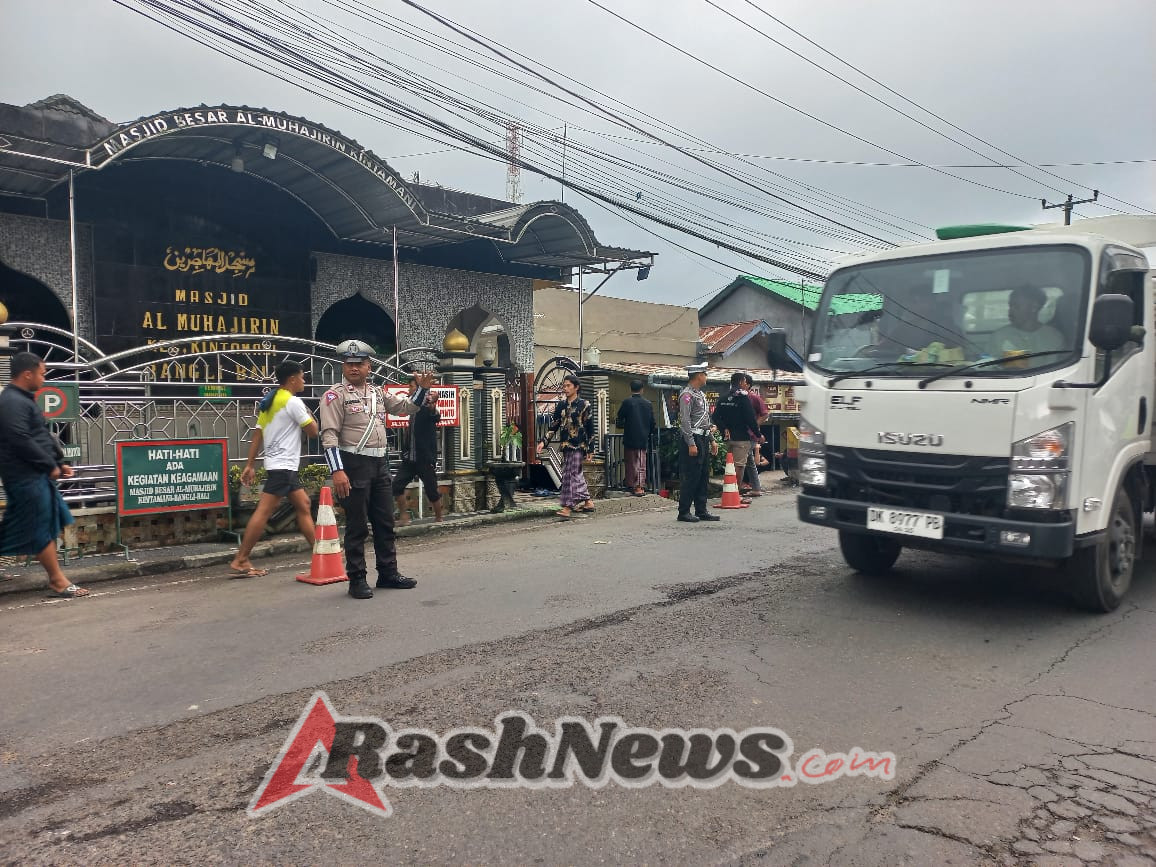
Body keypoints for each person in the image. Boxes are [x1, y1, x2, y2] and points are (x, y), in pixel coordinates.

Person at [319, 339, 436, 600]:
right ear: (343, 366)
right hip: (353, 464)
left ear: (368, 366)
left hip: (379, 464)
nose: (354, 368)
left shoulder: (377, 393)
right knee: (357, 525)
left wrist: (422, 389)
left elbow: (407, 408)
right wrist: (338, 471)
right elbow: (329, 436)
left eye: (359, 364)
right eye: (349, 364)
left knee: (384, 522)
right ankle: (357, 579)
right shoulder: (334, 396)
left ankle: (388, 573)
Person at [0, 352, 88, 598]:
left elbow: (41, 435)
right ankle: (58, 581)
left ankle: (57, 579)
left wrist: (59, 461)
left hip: (36, 474)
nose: (44, 378)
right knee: (38, 527)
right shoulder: (11, 402)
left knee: (38, 524)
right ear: (27, 374)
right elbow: (20, 439)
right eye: (42, 373)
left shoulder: (23, 400)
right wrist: (48, 465)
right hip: (25, 475)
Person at [229, 360, 319, 578]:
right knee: (264, 511)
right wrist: (309, 411)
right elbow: (313, 431)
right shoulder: (292, 402)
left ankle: (320, 553)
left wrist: (250, 464)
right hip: (284, 466)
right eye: (302, 376)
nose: (304, 380)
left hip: (279, 465)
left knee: (304, 504)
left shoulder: (269, 402)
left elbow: (257, 435)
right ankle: (241, 559)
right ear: (292, 379)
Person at [536, 374, 596, 520]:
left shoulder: (584, 405)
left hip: (579, 445)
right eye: (564, 386)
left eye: (568, 386)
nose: (566, 388)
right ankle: (588, 502)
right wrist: (544, 441)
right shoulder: (561, 405)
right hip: (565, 445)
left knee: (571, 475)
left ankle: (567, 507)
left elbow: (590, 428)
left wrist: (591, 449)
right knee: (575, 474)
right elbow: (555, 425)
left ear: (576, 387)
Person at [393, 374, 444, 526]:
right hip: (410, 459)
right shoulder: (411, 407)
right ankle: (404, 516)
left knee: (432, 490)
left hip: (424, 458)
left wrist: (433, 406)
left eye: (411, 386)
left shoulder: (426, 405)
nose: (409, 389)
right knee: (396, 486)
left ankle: (439, 518)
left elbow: (435, 416)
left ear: (419, 388)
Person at [677, 363, 720, 523]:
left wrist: (712, 440)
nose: (706, 376)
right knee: (691, 476)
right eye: (704, 373)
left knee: (703, 476)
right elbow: (686, 421)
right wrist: (690, 443)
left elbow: (704, 420)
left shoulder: (700, 394)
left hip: (703, 437)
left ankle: (701, 510)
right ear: (698, 375)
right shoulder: (687, 395)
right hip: (693, 439)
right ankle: (684, 511)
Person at [711, 372, 758, 501]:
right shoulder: (743, 398)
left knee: (730, 465)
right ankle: (735, 493)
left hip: (728, 438)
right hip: (741, 438)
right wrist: (758, 435)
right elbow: (750, 419)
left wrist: (723, 428)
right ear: (742, 382)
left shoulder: (724, 397)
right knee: (739, 466)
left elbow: (715, 417)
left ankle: (729, 492)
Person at [989, 286, 1065, 356]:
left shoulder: (1053, 336)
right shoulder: (1000, 336)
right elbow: (990, 366)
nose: (1010, 311)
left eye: (1016, 306)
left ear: (1034, 307)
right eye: (1010, 306)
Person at [614, 379, 656, 496]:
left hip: (629, 436)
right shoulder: (648, 404)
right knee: (641, 462)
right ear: (642, 389)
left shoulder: (627, 402)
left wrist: (622, 425)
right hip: (643, 437)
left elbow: (620, 417)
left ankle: (632, 485)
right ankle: (639, 486)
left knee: (630, 462)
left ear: (630, 389)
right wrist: (649, 432)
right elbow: (652, 422)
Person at [742, 374, 769, 497]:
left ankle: (736, 488)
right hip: (742, 434)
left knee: (742, 460)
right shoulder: (739, 397)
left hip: (750, 435)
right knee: (749, 461)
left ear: (747, 384)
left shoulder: (754, 398)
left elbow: (765, 414)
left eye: (741, 382)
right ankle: (756, 488)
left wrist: (754, 426)